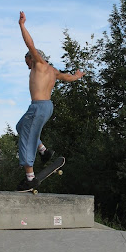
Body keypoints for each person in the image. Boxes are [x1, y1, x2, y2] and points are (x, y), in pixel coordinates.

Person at [16, 11, 84, 191]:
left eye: (27, 62)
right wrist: (77, 76)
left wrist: (22, 25)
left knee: (26, 137)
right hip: (47, 107)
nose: (28, 66)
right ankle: (44, 151)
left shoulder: (39, 63)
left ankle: (30, 178)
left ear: (33, 57)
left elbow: (30, 43)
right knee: (21, 126)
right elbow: (67, 78)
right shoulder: (53, 71)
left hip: (38, 107)